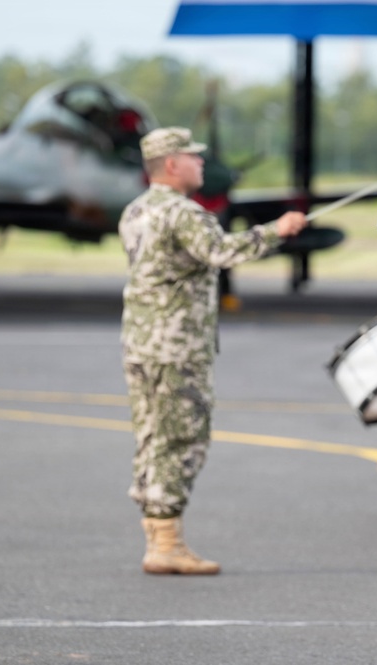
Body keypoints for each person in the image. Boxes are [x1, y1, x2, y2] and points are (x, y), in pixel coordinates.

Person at [120, 127, 308, 575]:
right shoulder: (184, 212)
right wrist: (278, 230)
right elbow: (221, 252)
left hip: (143, 344)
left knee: (151, 436)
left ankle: (158, 534)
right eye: (193, 156)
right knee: (182, 439)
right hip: (177, 346)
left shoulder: (136, 210)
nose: (201, 164)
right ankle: (165, 542)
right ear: (171, 164)